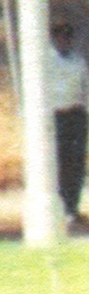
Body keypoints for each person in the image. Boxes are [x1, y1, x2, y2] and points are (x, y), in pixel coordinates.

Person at [46, 19, 87, 226]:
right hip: (55, 116)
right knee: (57, 161)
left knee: (75, 162)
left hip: (75, 114)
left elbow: (84, 88)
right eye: (61, 37)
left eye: (68, 38)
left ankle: (72, 206)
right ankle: (58, 206)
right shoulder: (45, 61)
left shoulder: (78, 61)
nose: (65, 41)